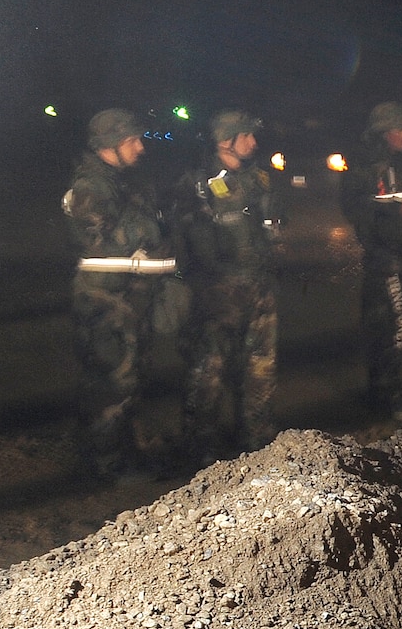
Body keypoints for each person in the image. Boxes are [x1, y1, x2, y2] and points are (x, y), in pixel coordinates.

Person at [63, 108, 174, 475]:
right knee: (110, 382)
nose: (141, 148)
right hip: (103, 300)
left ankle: (128, 450)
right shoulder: (90, 186)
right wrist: (145, 231)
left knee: (131, 377)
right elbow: (102, 237)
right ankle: (106, 464)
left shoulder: (120, 182)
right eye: (133, 141)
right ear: (112, 144)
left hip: (126, 298)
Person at [172, 109, 281, 463]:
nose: (254, 142)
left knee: (260, 366)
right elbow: (183, 239)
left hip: (258, 286)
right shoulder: (197, 184)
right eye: (246, 135)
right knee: (209, 369)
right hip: (216, 291)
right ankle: (199, 446)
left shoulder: (259, 179)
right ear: (224, 141)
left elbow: (271, 226)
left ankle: (256, 436)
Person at [339, 101, 402, 420]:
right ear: (384, 133)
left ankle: (388, 390)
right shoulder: (365, 167)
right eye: (400, 129)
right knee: (392, 329)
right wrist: (396, 211)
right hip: (384, 259)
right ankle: (384, 396)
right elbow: (354, 208)